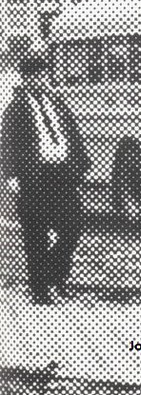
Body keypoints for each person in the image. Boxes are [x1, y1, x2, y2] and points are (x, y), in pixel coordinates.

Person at [0, 54, 91, 305]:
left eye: (40, 74)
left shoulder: (57, 103)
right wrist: (11, 177)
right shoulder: (15, 109)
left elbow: (72, 135)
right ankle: (40, 291)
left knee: (72, 228)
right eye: (32, 75)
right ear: (24, 78)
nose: (37, 79)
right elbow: (7, 145)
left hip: (62, 176)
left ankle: (55, 275)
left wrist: (80, 166)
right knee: (36, 235)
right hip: (33, 177)